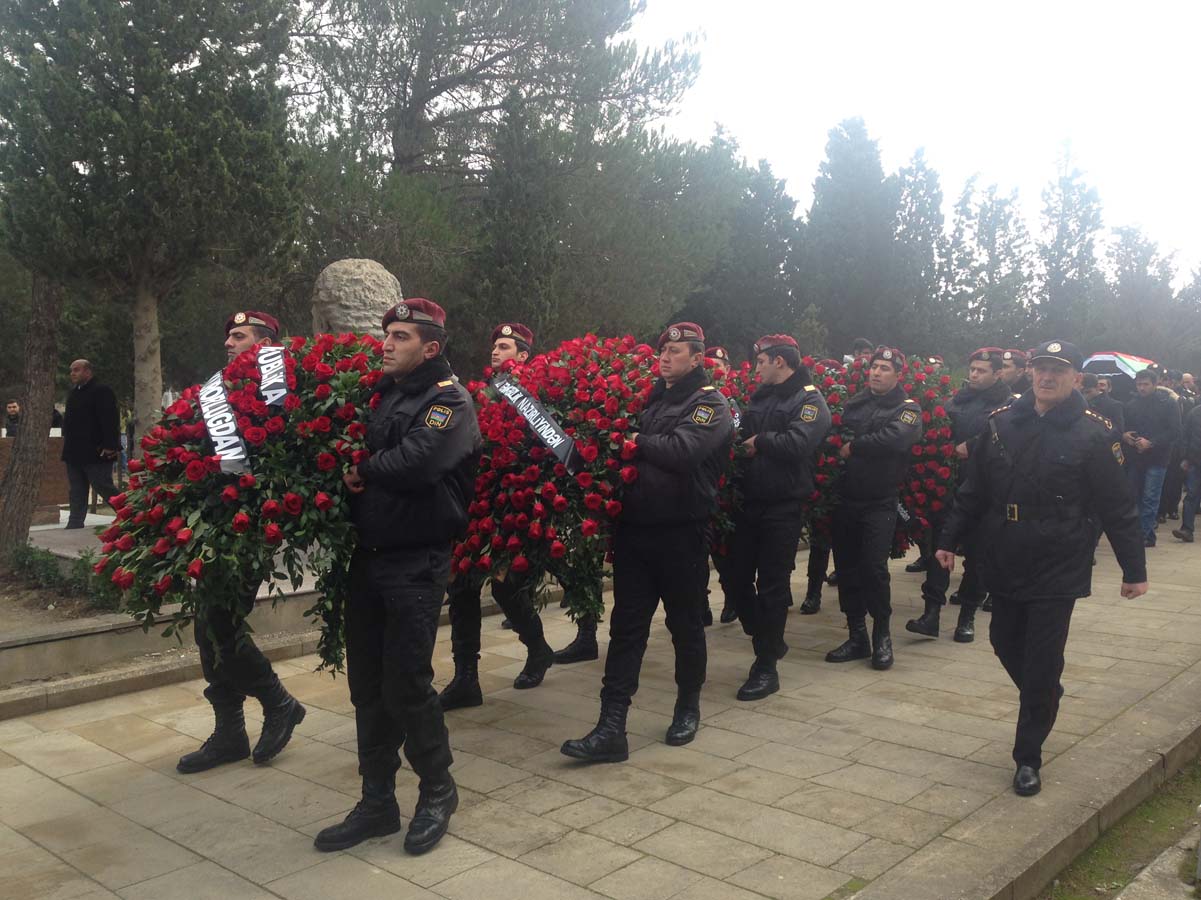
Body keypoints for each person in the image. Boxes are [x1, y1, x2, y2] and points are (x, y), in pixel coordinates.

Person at [936, 340, 1148, 797]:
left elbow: (1118, 506)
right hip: (1006, 552)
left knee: (1042, 657)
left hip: (1060, 558)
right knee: (1002, 640)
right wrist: (948, 539)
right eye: (1041, 369)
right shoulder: (1001, 425)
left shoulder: (1095, 433)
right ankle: (1046, 694)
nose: (1047, 377)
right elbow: (973, 491)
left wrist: (1134, 569)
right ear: (1031, 373)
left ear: (1076, 378)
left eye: (1058, 370)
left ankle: (1027, 756)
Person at [315, 298, 480, 856]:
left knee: (406, 683)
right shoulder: (381, 395)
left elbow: (421, 461)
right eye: (387, 334)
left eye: (401, 336)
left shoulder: (449, 401)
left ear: (430, 348)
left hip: (417, 559)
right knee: (367, 684)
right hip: (369, 555)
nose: (387, 342)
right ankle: (377, 801)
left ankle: (438, 790)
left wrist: (362, 469)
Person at [561, 322, 733, 759]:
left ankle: (687, 707)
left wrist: (635, 440)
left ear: (697, 359)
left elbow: (683, 452)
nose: (666, 357)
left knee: (685, 626)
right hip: (637, 531)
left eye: (677, 351)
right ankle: (611, 726)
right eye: (664, 350)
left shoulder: (709, 404)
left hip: (682, 533)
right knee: (626, 630)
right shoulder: (652, 401)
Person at [176, 312, 307, 776]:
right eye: (227, 335)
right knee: (207, 628)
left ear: (264, 343)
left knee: (222, 626)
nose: (228, 343)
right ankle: (230, 731)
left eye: (238, 336)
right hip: (213, 525)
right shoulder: (221, 390)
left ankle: (278, 701)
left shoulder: (275, 390)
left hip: (248, 527)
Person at [440, 323, 555, 710]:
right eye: (494, 345)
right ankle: (466, 678)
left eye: (504, 346)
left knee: (506, 587)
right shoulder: (483, 390)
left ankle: (537, 649)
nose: (495, 351)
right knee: (462, 588)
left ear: (522, 355)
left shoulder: (528, 391)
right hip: (476, 497)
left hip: (513, 500)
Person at [724, 335, 830, 700]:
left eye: (761, 362)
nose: (756, 368)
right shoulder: (761, 396)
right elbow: (743, 436)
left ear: (781, 362)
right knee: (734, 578)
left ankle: (766, 667)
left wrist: (761, 442)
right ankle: (764, 636)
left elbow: (799, 443)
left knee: (772, 586)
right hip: (749, 502)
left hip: (783, 505)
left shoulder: (810, 400)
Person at [825, 347, 922, 670]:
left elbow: (896, 439)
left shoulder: (908, 409)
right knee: (848, 568)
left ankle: (882, 634)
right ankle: (857, 635)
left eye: (884, 368)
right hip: (847, 498)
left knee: (874, 569)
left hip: (880, 501)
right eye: (874, 367)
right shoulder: (856, 403)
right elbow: (836, 435)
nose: (876, 373)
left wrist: (856, 446)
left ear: (898, 375)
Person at [908, 348, 1012, 643]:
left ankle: (967, 616)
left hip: (985, 490)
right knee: (940, 550)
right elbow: (940, 431)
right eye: (973, 369)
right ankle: (931, 615)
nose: (975, 375)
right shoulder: (957, 399)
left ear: (998, 373)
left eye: (982, 371)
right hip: (949, 486)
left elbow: (1008, 436)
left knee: (977, 557)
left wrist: (974, 445)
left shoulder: (1010, 405)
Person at [1123, 368, 1181, 547]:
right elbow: (1125, 427)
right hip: (1136, 456)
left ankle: (1144, 534)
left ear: (1155, 384)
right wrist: (1126, 436)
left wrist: (1152, 442)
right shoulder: (1131, 404)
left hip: (1158, 457)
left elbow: (1175, 431)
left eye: (1145, 384)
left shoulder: (1168, 403)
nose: (1141, 388)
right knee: (1135, 496)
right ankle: (1142, 533)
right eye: (1139, 384)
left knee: (1150, 496)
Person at [61, 359, 120, 528]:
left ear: (88, 372)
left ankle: (129, 513)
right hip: (74, 451)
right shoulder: (74, 393)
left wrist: (110, 445)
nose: (72, 373)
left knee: (102, 485)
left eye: (77, 370)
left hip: (96, 450)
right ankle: (75, 522)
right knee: (77, 489)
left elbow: (110, 419)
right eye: (71, 370)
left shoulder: (101, 391)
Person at [705, 345, 738, 626]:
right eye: (710, 364)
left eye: (720, 365)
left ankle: (731, 595)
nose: (715, 368)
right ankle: (700, 603)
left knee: (723, 549)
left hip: (727, 488)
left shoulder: (733, 401)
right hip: (702, 486)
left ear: (728, 370)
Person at [1171, 401, 1201, 543]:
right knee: (1191, 495)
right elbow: (1184, 436)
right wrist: (1184, 457)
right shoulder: (1194, 413)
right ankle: (1187, 530)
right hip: (1195, 460)